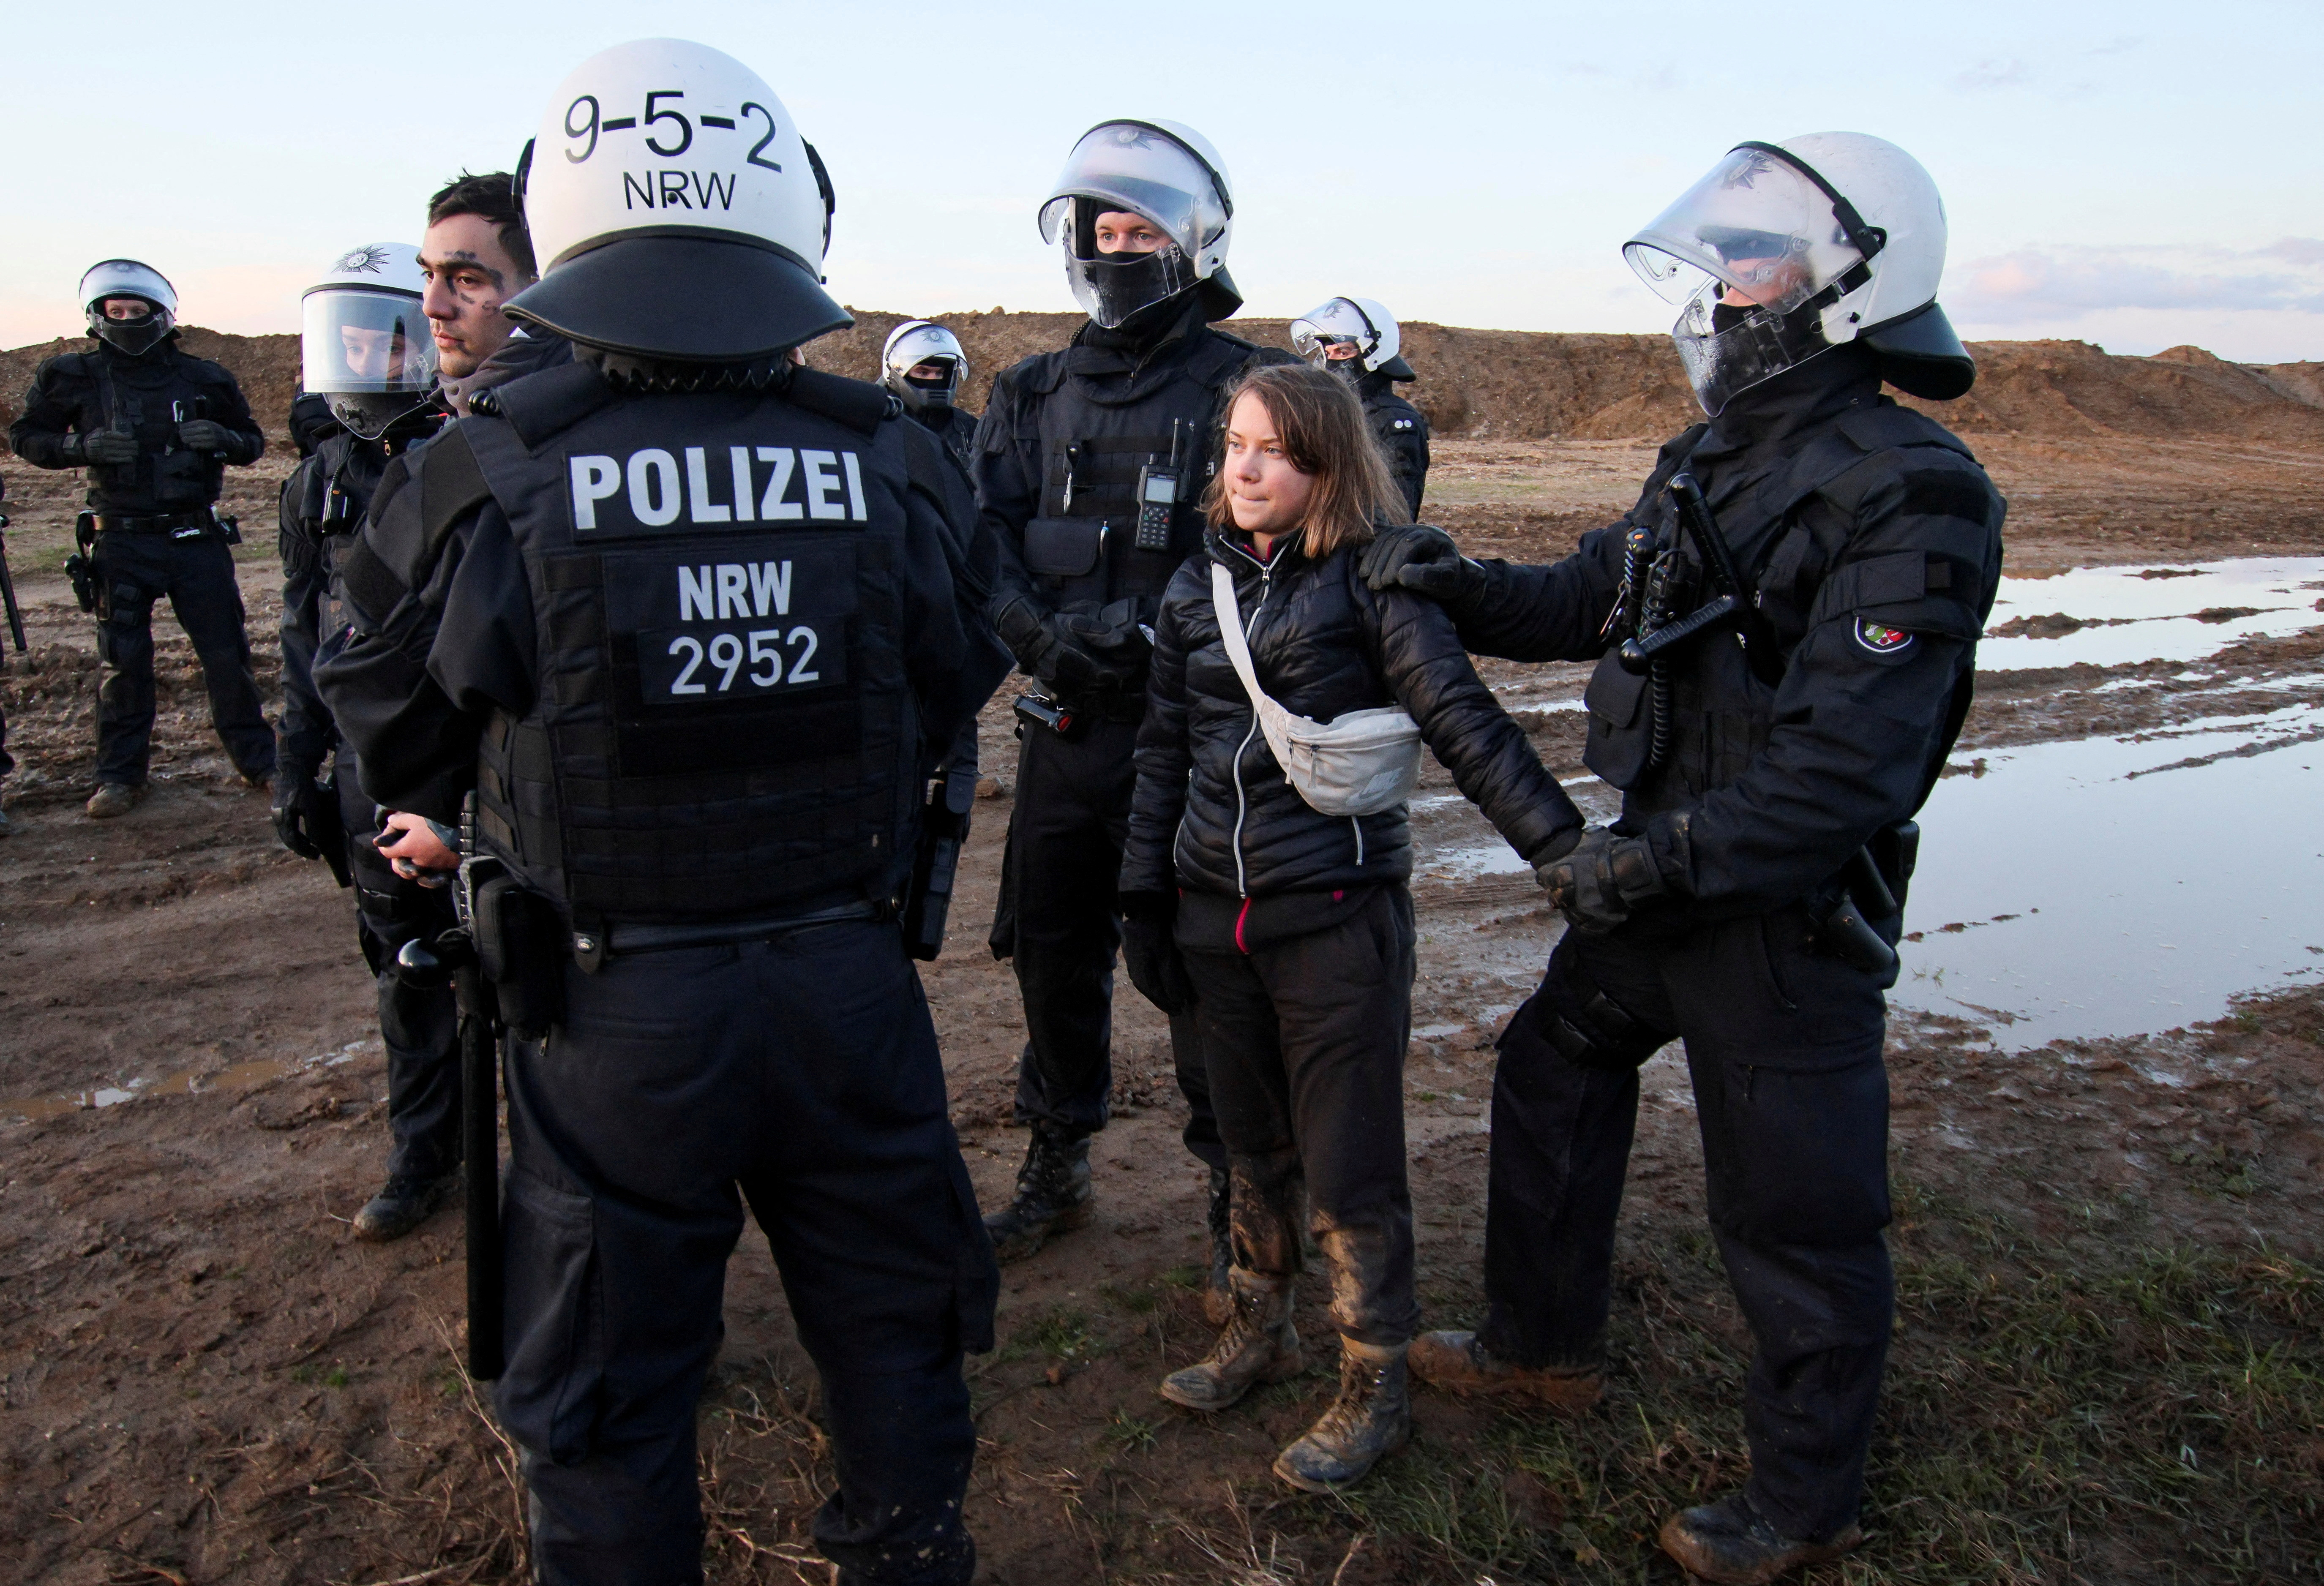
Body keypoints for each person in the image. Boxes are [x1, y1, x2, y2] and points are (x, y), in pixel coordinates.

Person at [316, 39, 1009, 1586]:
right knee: (895, 1339)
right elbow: (963, 657)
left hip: (616, 1009)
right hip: (848, 982)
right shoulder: (888, 453)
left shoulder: (489, 465)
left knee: (612, 1407)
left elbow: (376, 712)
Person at [1361, 134, 2005, 1583]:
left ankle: (1803, 1503)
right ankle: (1542, 1347)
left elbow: (1850, 769)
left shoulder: (1920, 490)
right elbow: (1605, 590)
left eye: (1754, 261)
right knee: (1552, 1067)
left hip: (1778, 913)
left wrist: (1647, 871)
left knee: (1795, 1208)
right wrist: (1465, 583)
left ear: (1851, 288)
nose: (1721, 291)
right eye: (1720, 262)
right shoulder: (1717, 453)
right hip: (1658, 869)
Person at [1123, 364, 1583, 1492]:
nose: (1241, 467)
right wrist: (1143, 891)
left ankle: (1373, 1378)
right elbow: (1161, 754)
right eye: (1233, 444)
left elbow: (1465, 723)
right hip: (1209, 921)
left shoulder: (1374, 584)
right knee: (1248, 1147)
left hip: (1334, 920)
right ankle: (1260, 1325)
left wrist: (1564, 850)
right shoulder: (1195, 589)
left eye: (1271, 450)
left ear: (1325, 467)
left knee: (1349, 1165)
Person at [975, 117, 1298, 1283]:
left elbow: (1255, 542)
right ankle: (1057, 1161)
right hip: (1063, 725)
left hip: (1193, 740)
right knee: (1053, 951)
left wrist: (1128, 635)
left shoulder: (1247, 387)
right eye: (1100, 230)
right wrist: (1036, 638)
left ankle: (1235, 1188)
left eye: (1140, 230)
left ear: (1190, 243)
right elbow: (984, 540)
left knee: (1196, 958)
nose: (1116, 250)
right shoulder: (1028, 391)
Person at [273, 243, 462, 1241]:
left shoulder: (474, 455)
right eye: (343, 336)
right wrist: (291, 768)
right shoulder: (316, 485)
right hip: (366, 775)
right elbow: (303, 641)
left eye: (380, 336)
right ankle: (427, 1158)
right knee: (404, 974)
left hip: (471, 772)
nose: (361, 355)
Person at [8, 260, 273, 816]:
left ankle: (261, 764)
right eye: (116, 310)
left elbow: (253, 441)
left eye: (137, 310)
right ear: (97, 315)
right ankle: (120, 777)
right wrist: (82, 448)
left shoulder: (205, 377)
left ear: (162, 314)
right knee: (123, 664)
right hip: (120, 541)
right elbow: (27, 437)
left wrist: (221, 437)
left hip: (195, 537)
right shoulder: (72, 375)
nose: (127, 319)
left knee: (227, 658)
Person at [419, 172, 550, 414]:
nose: (432, 307)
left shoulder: (586, 421)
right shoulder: (432, 424)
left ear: (540, 289)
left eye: (466, 280)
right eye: (429, 275)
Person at [1289, 296, 1429, 517]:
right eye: (1328, 354)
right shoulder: (1333, 414)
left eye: (1343, 353)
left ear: (1372, 355)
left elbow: (1394, 513)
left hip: (1361, 547)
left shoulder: (1396, 423)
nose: (1331, 363)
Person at [881, 319, 977, 477]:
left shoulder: (967, 429)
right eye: (923, 372)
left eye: (939, 373)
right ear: (896, 373)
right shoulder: (877, 424)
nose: (933, 380)